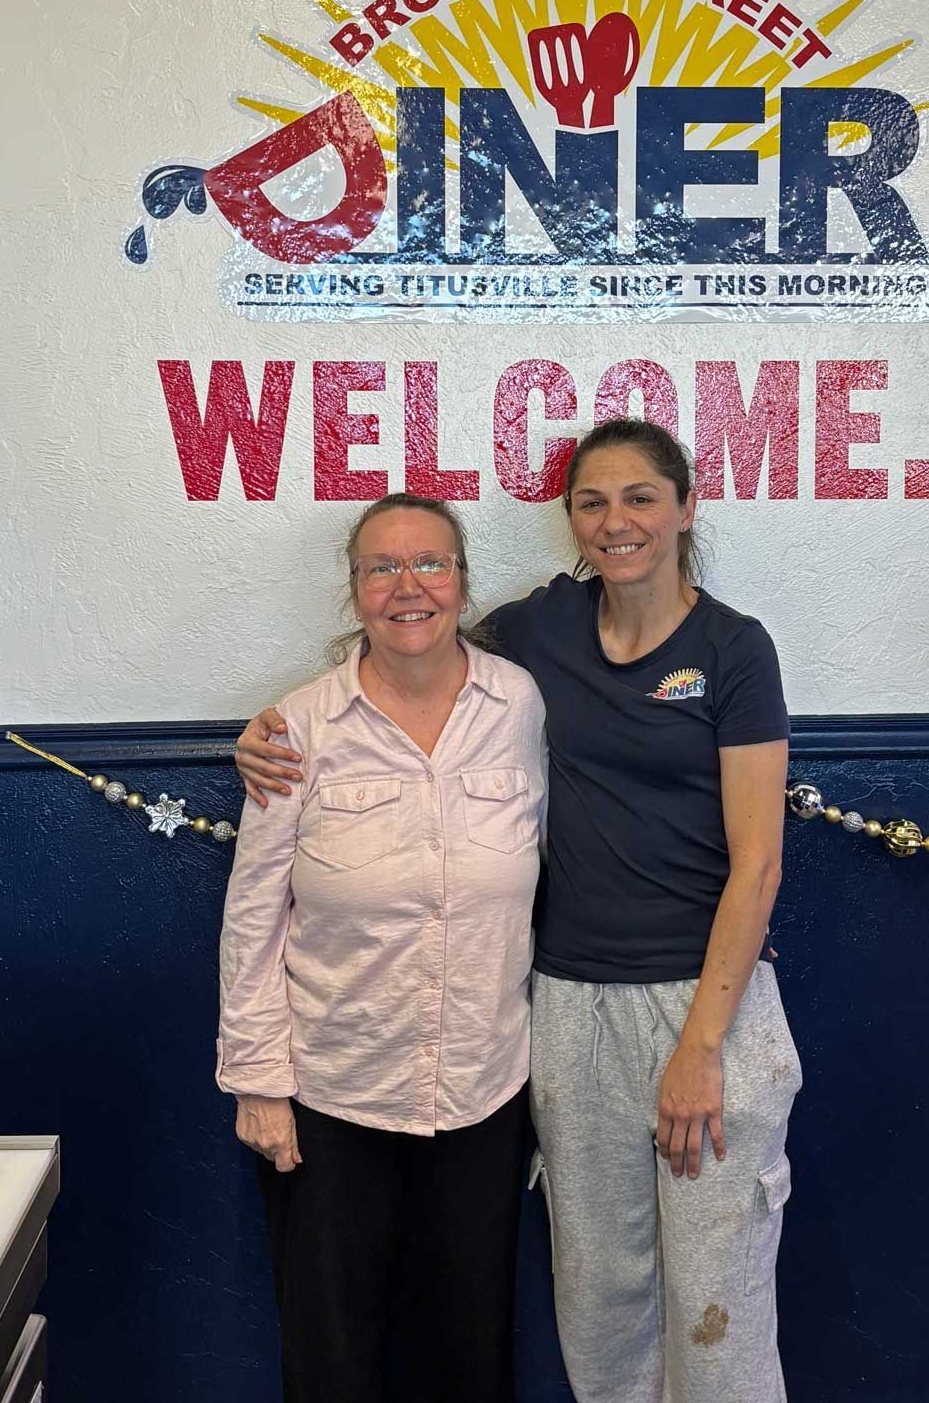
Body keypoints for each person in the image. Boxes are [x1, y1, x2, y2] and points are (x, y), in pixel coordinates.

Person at [236, 419, 800, 1403]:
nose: (615, 521)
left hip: (696, 1006)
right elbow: (408, 642)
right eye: (590, 501)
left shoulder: (727, 649)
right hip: (564, 1010)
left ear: (684, 507)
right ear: (569, 520)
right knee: (598, 1301)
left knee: (714, 1300)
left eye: (638, 497)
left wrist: (703, 1045)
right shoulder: (538, 632)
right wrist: (265, 729)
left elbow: (756, 863)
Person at [217, 492, 546, 1403]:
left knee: (470, 1351)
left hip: (484, 1087)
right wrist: (258, 1083)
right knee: (332, 1355)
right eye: (382, 567)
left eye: (430, 563)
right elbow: (253, 915)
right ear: (354, 590)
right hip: (333, 1092)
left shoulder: (519, 705)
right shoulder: (298, 726)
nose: (409, 587)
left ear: (463, 580)